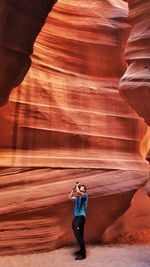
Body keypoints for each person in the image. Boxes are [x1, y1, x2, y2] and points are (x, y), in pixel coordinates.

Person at [69, 182, 88, 260]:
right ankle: (81, 250)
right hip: (77, 216)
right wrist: (72, 189)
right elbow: (70, 197)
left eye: (83, 187)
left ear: (85, 190)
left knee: (78, 232)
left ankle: (83, 254)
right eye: (81, 187)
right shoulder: (78, 197)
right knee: (75, 229)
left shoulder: (85, 195)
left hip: (81, 216)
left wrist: (77, 186)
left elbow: (79, 192)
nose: (81, 187)